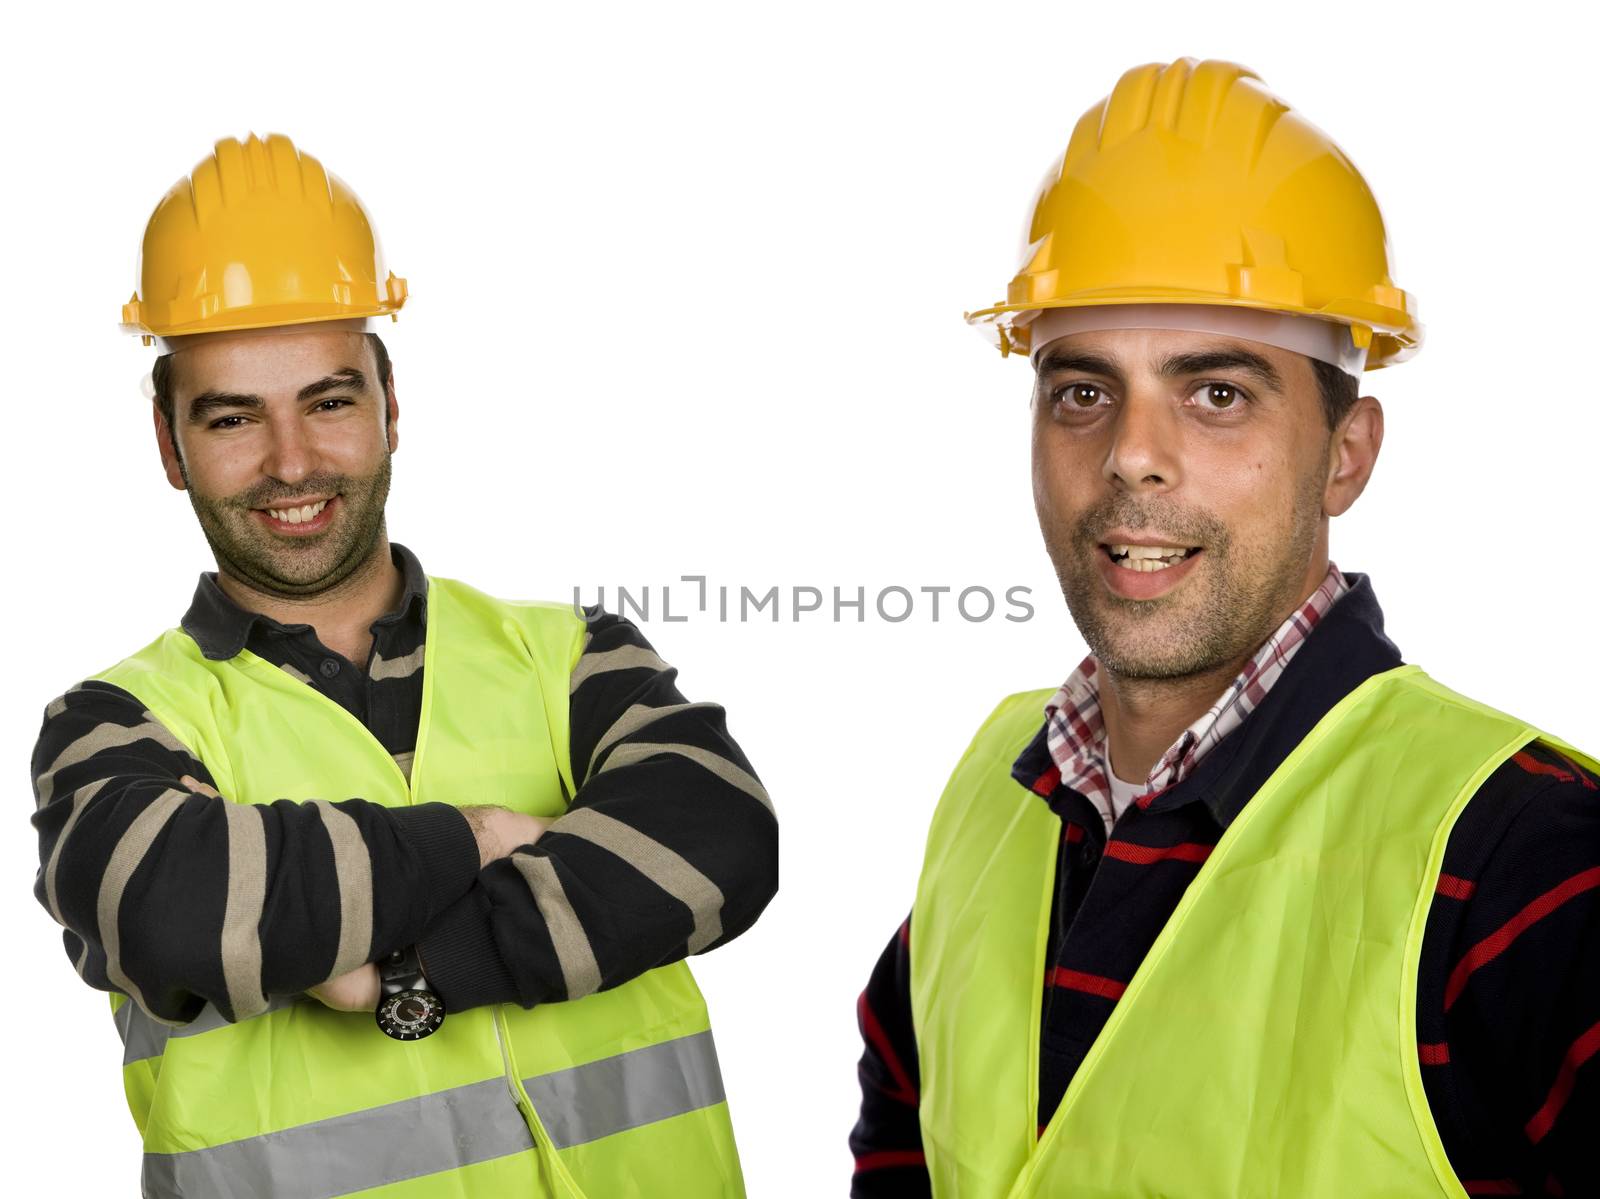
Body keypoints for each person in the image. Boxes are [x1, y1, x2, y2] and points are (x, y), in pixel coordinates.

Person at [850, 58, 1598, 1198]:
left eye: (1216, 392)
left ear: (1344, 455)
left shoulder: (1527, 865)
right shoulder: (990, 800)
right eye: (1081, 391)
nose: (1130, 455)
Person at [30, 134, 777, 1198]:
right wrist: (479, 835)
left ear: (390, 402)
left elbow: (720, 840)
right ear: (168, 443)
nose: (291, 461)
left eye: (329, 401)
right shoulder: (112, 724)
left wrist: (399, 970)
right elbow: (177, 908)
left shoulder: (570, 655)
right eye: (233, 416)